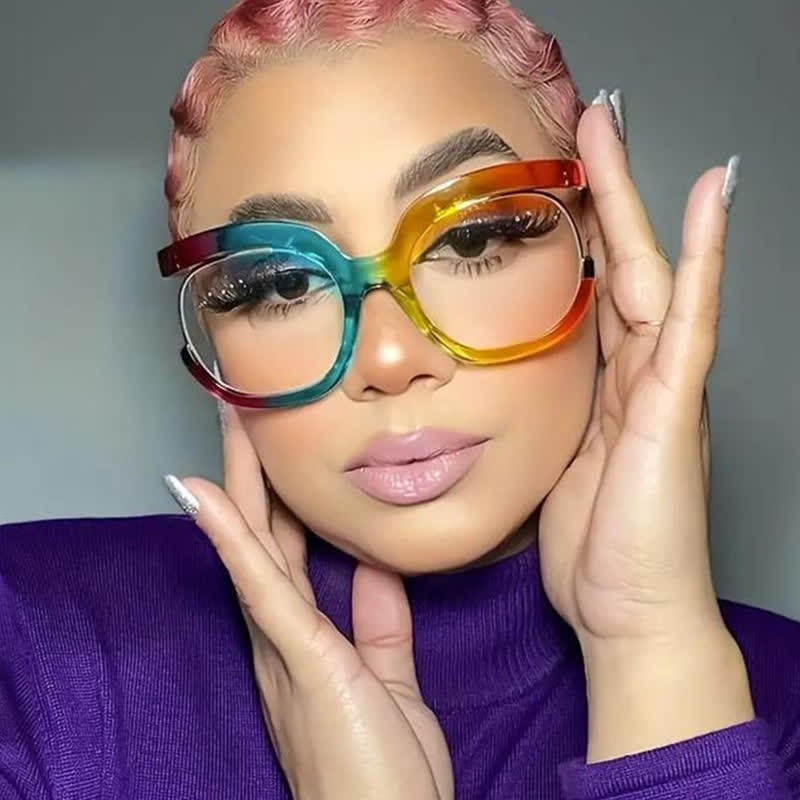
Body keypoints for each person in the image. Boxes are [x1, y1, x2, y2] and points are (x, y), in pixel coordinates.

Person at [1, 0, 799, 797]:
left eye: (471, 238)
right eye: (283, 282)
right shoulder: (31, 643)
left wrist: (651, 652)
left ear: (601, 247)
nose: (387, 358)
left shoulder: (776, 711)